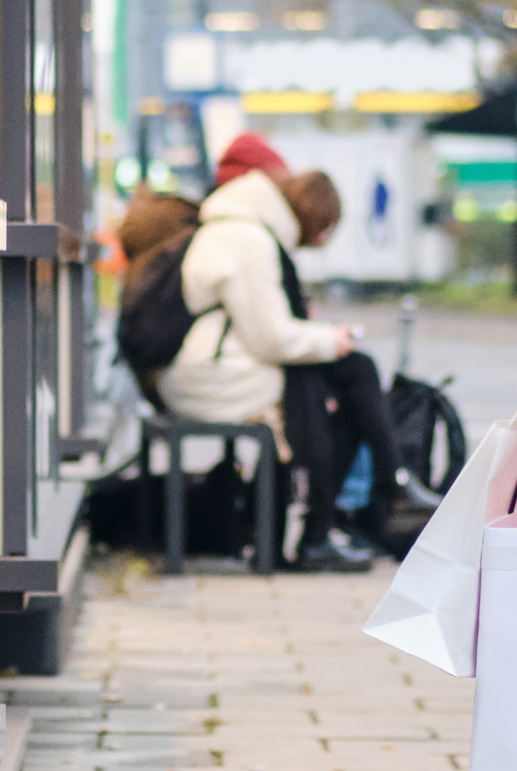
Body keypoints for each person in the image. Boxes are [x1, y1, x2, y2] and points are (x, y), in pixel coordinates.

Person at [149, 136, 377, 569]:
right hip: (209, 379)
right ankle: (334, 520)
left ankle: (314, 527)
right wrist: (331, 339)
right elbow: (270, 337)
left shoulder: (241, 227)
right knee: (322, 384)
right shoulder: (248, 237)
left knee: (337, 378)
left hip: (213, 367)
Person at [272, 168, 407, 568]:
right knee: (357, 373)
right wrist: (327, 338)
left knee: (355, 384)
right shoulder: (259, 238)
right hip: (259, 365)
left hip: (264, 356)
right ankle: (391, 480)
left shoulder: (265, 238)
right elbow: (275, 333)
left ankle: (382, 486)